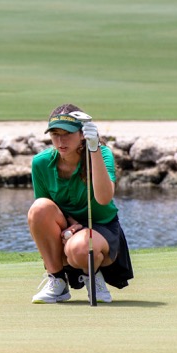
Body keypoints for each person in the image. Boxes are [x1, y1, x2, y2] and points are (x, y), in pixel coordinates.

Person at [27, 104, 134, 304]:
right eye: (55, 134)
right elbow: (45, 212)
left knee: (79, 248)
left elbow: (103, 198)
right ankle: (57, 281)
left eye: (67, 134)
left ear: (82, 134)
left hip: (101, 228)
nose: (60, 141)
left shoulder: (101, 154)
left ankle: (94, 277)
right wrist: (71, 225)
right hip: (66, 227)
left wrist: (93, 149)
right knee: (39, 208)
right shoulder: (40, 163)